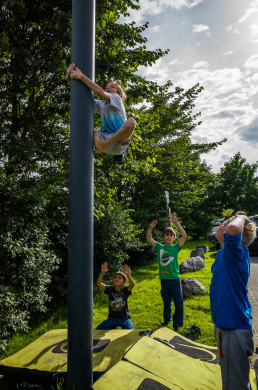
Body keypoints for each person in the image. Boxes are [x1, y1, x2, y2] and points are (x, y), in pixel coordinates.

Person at [210, 211, 257, 390]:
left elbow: (231, 229)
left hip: (231, 329)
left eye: (227, 223)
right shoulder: (226, 253)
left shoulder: (235, 254)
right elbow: (227, 234)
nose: (222, 225)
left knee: (234, 384)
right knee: (236, 376)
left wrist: (244, 218)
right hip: (232, 326)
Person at [66, 63, 136, 162]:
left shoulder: (116, 98)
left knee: (131, 122)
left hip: (118, 141)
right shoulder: (102, 104)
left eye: (112, 87)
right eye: (107, 87)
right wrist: (69, 78)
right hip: (103, 138)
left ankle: (102, 146)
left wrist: (81, 76)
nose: (108, 88)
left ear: (118, 93)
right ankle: (89, 155)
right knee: (83, 129)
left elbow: (100, 92)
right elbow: (81, 99)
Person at [146, 214, 187, 330]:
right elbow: (149, 238)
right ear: (163, 237)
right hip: (164, 281)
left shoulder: (175, 248)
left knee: (178, 302)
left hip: (175, 280)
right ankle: (166, 320)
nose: (168, 237)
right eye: (166, 235)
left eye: (171, 235)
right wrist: (150, 228)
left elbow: (184, 236)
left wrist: (176, 223)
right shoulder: (160, 247)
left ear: (174, 237)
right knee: (166, 302)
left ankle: (178, 325)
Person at [96, 262, 135, 329]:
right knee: (98, 329)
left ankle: (114, 327)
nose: (116, 279)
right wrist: (102, 273)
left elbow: (132, 285)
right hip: (112, 319)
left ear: (123, 282)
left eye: (119, 278)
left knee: (131, 331)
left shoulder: (125, 289)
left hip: (124, 319)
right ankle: (113, 327)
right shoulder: (109, 288)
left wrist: (128, 275)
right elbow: (99, 284)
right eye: (115, 277)